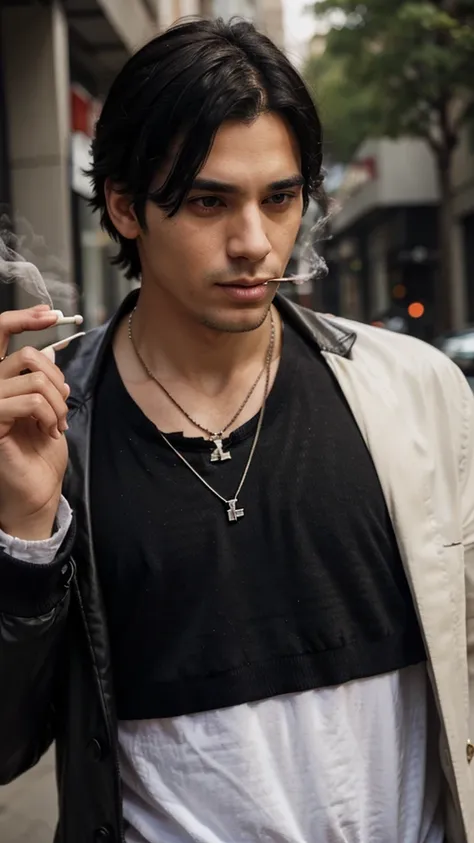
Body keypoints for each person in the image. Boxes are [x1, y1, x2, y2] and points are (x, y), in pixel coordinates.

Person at [0, 17, 472, 843]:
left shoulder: (414, 392)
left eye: (280, 198)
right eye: (208, 200)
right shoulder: (52, 427)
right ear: (124, 206)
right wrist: (24, 537)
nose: (255, 243)